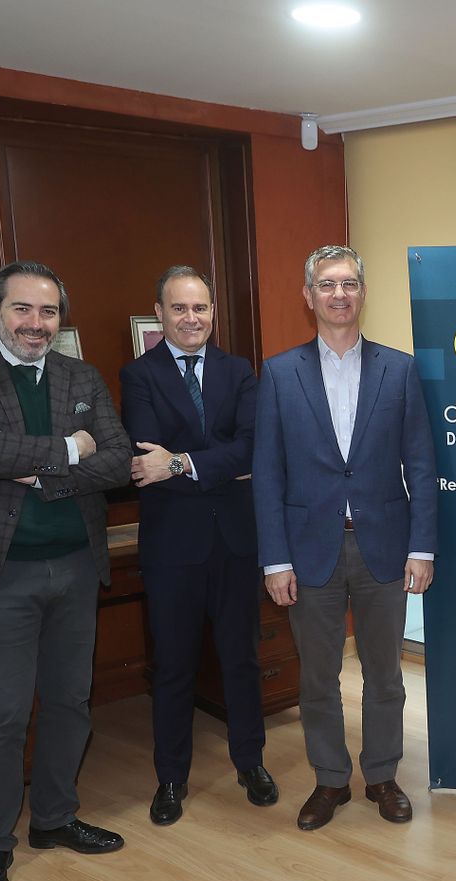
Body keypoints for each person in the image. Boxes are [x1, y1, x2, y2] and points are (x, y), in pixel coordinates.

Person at [0, 261, 131, 881]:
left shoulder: (81, 374)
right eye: (22, 309)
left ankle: (53, 818)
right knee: (3, 714)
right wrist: (73, 447)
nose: (36, 324)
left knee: (71, 701)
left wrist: (36, 468)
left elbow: (120, 459)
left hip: (74, 564)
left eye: (48, 313)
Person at [252, 244, 437, 831]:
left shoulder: (399, 369)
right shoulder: (280, 373)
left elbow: (422, 465)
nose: (339, 295)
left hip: (384, 545)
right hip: (309, 553)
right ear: (308, 297)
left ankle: (382, 775)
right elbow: (268, 473)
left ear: (362, 293)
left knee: (385, 675)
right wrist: (274, 560)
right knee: (318, 678)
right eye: (327, 285)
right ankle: (330, 781)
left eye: (349, 284)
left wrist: (422, 547)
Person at [120, 266, 276, 825]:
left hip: (235, 540)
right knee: (174, 666)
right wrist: (215, 462)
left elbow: (253, 448)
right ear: (159, 314)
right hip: (173, 546)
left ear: (214, 313)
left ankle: (250, 761)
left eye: (201, 308)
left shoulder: (239, 372)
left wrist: (181, 461)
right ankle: (171, 777)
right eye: (180, 309)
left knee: (241, 659)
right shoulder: (139, 374)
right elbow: (144, 453)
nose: (192, 319)